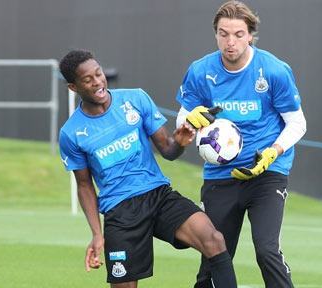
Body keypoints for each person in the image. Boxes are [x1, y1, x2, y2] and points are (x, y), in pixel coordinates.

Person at [58, 49, 238, 288]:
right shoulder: (71, 133)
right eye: (87, 80)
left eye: (98, 74)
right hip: (120, 212)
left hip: (158, 195)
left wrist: (181, 142)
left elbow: (168, 151)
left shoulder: (136, 99)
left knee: (213, 239)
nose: (97, 82)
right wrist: (97, 234)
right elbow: (84, 185)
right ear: (73, 87)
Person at [175, 1, 307, 287]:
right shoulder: (200, 71)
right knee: (214, 253)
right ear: (216, 35)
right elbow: (182, 122)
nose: (230, 42)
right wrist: (189, 121)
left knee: (266, 250)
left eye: (238, 34)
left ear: (250, 35)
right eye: (223, 34)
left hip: (267, 174)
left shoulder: (273, 70)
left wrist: (273, 152)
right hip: (220, 177)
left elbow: (298, 123)